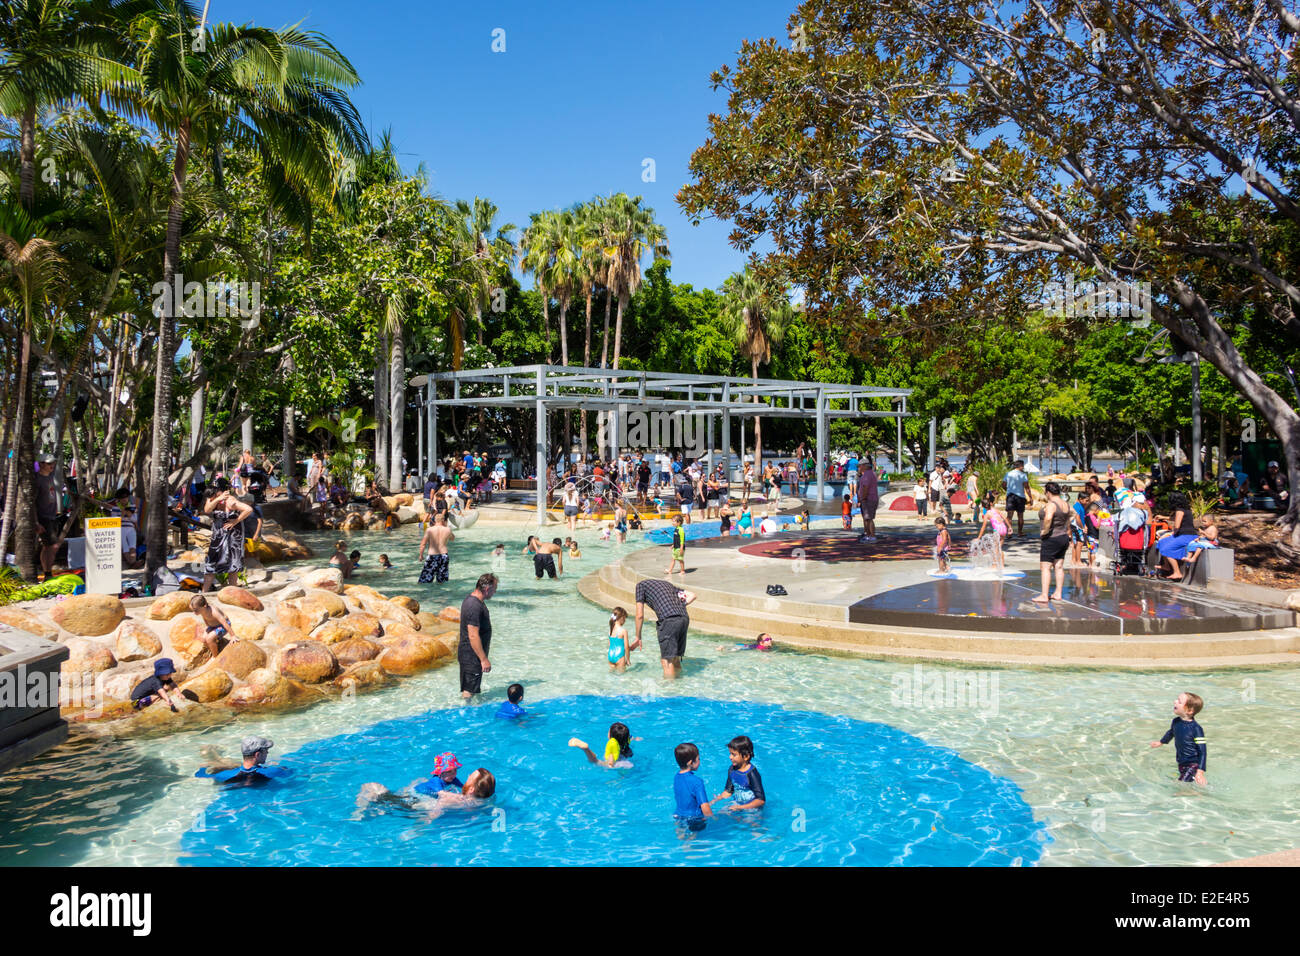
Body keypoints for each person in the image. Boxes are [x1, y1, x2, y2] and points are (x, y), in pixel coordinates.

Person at [634, 578, 696, 680]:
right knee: (675, 659)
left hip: (669, 620)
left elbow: (639, 615)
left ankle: (669, 690)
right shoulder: (668, 585)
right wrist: (679, 606)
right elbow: (693, 595)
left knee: (667, 661)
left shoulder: (640, 586)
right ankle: (679, 686)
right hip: (684, 618)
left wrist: (638, 636)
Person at [201, 477, 252, 591]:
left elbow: (248, 509)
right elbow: (207, 510)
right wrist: (217, 498)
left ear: (223, 490)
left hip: (233, 535)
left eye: (216, 490)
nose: (213, 492)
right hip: (218, 535)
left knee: (233, 562)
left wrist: (236, 520)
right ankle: (204, 591)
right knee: (211, 561)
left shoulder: (230, 500)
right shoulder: (213, 498)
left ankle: (232, 589)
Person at [1149, 692, 1207, 785]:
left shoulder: (1196, 729)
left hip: (1193, 764)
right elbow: (1171, 732)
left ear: (1189, 710)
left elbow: (1202, 751)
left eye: (1179, 701)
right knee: (1190, 783)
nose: (1175, 701)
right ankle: (1198, 794)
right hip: (1182, 762)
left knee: (1180, 784)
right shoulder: (1176, 722)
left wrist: (1200, 772)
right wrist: (1161, 742)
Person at [457, 573, 497, 699]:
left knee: (472, 687)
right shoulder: (473, 606)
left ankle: (468, 711)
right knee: (469, 691)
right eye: (494, 589)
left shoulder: (475, 601)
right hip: (471, 655)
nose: (494, 592)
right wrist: (483, 659)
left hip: (472, 655)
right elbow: (473, 635)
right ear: (487, 589)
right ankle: (466, 713)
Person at [1033, 481, 1071, 603]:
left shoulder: (1051, 505)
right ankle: (1058, 593)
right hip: (1063, 537)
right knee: (1059, 566)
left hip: (1052, 538)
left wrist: (1044, 530)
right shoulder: (1065, 504)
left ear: (1048, 492)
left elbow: (1048, 518)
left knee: (1045, 567)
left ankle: (1044, 595)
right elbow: (1068, 520)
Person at [196, 736, 289, 785]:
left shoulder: (223, 775)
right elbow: (290, 772)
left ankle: (214, 756)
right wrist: (278, 766)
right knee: (233, 765)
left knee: (233, 766)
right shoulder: (273, 771)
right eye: (266, 751)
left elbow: (200, 775)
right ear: (257, 754)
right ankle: (215, 757)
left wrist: (203, 768)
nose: (267, 753)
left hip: (235, 776)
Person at [712, 735, 766, 812]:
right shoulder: (732, 769)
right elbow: (728, 792)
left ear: (746, 756)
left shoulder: (752, 774)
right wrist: (713, 801)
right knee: (721, 813)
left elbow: (761, 800)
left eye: (734, 754)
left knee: (750, 822)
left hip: (752, 808)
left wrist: (741, 807)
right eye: (730, 753)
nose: (730, 757)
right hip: (737, 804)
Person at [1156, 491, 1199, 580]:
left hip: (1186, 536)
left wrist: (1170, 534)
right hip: (1184, 535)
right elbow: (1176, 518)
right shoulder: (1185, 509)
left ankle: (1177, 572)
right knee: (1162, 542)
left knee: (1166, 548)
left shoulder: (1179, 510)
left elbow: (1177, 525)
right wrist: (1163, 517)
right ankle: (1166, 565)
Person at [673, 742, 713, 831]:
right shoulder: (697, 782)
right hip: (694, 819)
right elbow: (705, 807)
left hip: (678, 816)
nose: (700, 761)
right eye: (698, 759)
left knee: (683, 840)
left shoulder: (676, 777)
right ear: (690, 763)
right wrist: (714, 820)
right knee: (694, 839)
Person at [34, 456, 60, 578]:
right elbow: (32, 503)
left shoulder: (50, 476)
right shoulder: (37, 479)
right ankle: (47, 573)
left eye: (53, 463)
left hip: (52, 515)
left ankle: (47, 572)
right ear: (41, 464)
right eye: (49, 463)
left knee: (50, 546)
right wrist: (36, 522)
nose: (52, 465)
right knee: (50, 545)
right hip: (43, 516)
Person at [569, 721, 636, 767]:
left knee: (595, 762)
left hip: (617, 763)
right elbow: (630, 737)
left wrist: (610, 766)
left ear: (611, 736)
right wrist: (636, 739)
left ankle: (586, 749)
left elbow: (611, 764)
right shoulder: (626, 740)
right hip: (626, 761)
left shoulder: (612, 751)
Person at [189, 594, 234, 659]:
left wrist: (232, 636)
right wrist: (208, 628)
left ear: (204, 606)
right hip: (213, 626)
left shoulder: (214, 612)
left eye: (195, 610)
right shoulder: (202, 610)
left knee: (209, 639)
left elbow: (225, 623)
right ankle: (214, 647)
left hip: (223, 626)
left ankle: (215, 656)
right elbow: (205, 618)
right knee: (204, 639)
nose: (194, 612)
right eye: (192, 610)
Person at [975, 493, 1008, 572]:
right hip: (1003, 528)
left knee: (994, 548)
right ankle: (1002, 565)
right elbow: (1004, 518)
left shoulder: (987, 514)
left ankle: (994, 565)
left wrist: (979, 537)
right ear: (990, 503)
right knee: (999, 547)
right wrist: (1009, 527)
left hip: (997, 530)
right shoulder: (996, 510)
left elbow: (983, 527)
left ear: (983, 506)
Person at [417, 512, 455, 584]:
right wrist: (446, 527)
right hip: (444, 556)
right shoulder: (448, 530)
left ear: (435, 520)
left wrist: (421, 555)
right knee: (442, 582)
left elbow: (423, 544)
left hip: (432, 555)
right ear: (443, 521)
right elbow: (452, 539)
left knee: (424, 581)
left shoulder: (429, 530)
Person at [1002, 460, 1030, 536]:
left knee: (1009, 516)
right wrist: (1030, 497)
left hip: (1010, 496)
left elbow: (1003, 484)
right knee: (1020, 515)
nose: (1023, 467)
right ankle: (1020, 532)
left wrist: (1007, 490)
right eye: (1023, 466)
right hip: (1020, 497)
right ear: (1020, 466)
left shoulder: (1008, 474)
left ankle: (1009, 532)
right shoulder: (1023, 475)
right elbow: (1027, 487)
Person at [856, 462, 879, 541]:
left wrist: (863, 498)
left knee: (869, 518)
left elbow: (865, 487)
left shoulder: (867, 475)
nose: (859, 468)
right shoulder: (871, 474)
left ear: (864, 466)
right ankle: (868, 534)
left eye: (860, 466)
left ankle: (872, 535)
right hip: (870, 499)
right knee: (867, 518)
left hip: (868, 499)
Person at [607, 606, 631, 672]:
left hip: (610, 656)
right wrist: (628, 660)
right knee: (621, 678)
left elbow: (609, 645)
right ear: (622, 617)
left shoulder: (610, 630)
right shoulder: (623, 631)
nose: (625, 621)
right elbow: (626, 647)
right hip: (619, 657)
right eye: (625, 618)